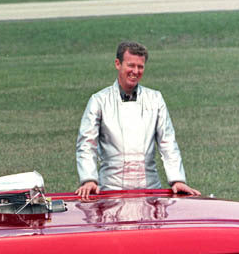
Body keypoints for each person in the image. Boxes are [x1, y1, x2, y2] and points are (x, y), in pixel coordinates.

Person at [75, 41, 200, 201]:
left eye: (140, 67)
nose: (135, 71)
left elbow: (168, 143)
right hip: (110, 191)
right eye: (131, 65)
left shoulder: (155, 99)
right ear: (117, 64)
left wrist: (177, 179)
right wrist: (89, 179)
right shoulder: (99, 100)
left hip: (150, 191)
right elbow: (86, 144)